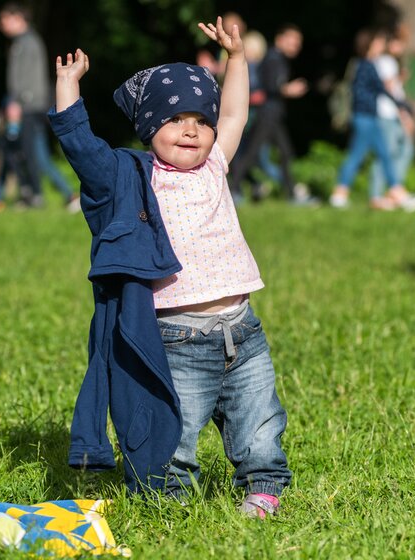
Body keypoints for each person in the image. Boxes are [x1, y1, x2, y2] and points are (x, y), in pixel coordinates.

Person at [50, 17, 290, 518]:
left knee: (260, 421)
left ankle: (263, 486)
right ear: (148, 128)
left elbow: (236, 114)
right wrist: (67, 88)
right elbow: (83, 152)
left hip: (242, 330)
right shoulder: (132, 177)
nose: (193, 130)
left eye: (200, 120)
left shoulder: (215, 165)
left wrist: (238, 59)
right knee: (173, 429)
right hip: (177, 338)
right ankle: (170, 500)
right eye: (176, 119)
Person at [329, 29, 415, 211]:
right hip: (364, 117)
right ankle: (339, 194)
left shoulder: (368, 64)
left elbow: (380, 90)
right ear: (369, 44)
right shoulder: (365, 65)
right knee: (357, 156)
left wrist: (401, 104)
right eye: (378, 42)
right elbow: (379, 90)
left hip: (370, 117)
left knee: (383, 156)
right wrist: (402, 105)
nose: (381, 45)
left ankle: (397, 194)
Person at [0, 3, 79, 211]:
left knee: (33, 155)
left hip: (28, 107)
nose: (1, 24)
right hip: (27, 106)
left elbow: (30, 80)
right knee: (37, 155)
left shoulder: (28, 43)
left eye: (5, 19)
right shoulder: (23, 42)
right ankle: (63, 195)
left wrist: (17, 102)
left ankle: (44, 195)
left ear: (18, 18)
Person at [228, 24, 313, 205]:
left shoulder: (277, 58)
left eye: (298, 42)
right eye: (292, 41)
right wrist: (288, 89)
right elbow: (271, 85)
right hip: (268, 114)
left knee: (285, 153)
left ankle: (291, 193)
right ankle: (232, 190)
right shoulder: (274, 58)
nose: (295, 46)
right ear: (279, 39)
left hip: (273, 114)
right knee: (251, 153)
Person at [367, 26, 415, 210]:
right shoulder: (387, 61)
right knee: (386, 155)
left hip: (389, 114)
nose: (402, 47)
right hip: (387, 114)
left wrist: (400, 80)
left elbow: (390, 86)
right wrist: (404, 114)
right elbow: (388, 90)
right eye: (399, 43)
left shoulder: (386, 62)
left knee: (404, 150)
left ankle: (393, 191)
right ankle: (377, 195)